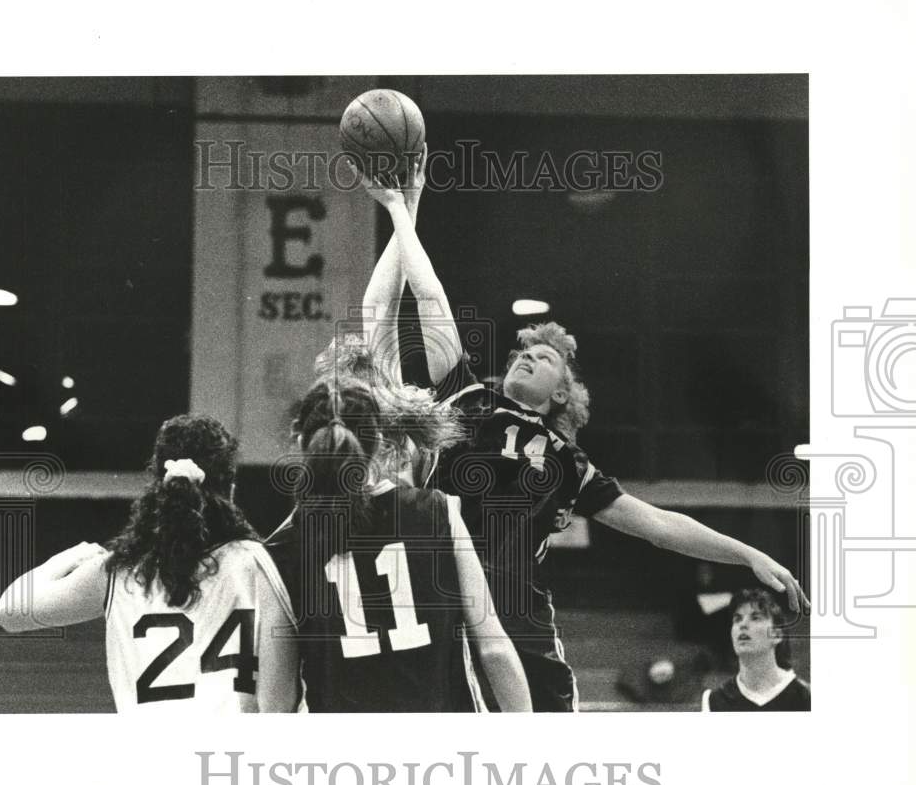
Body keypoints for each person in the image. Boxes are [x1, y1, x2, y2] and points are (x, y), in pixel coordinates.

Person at [348, 149, 810, 712]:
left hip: (519, 613)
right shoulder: (463, 395)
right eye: (523, 351)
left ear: (562, 393)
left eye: (542, 359)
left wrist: (749, 555)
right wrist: (404, 207)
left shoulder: (567, 462)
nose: (525, 358)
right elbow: (427, 300)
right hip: (442, 596)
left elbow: (659, 524)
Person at [0, 414, 300, 713]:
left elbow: (8, 612)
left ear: (156, 484)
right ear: (231, 487)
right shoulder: (261, 564)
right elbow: (279, 705)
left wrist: (74, 553)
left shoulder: (118, 569)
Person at [265, 377, 532, 712]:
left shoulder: (280, 550)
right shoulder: (437, 510)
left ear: (299, 438)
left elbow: (276, 701)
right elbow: (494, 649)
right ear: (380, 440)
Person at [701, 587, 810, 711]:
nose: (743, 625)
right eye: (737, 619)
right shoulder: (713, 701)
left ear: (777, 635)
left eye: (755, 618)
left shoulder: (806, 697)